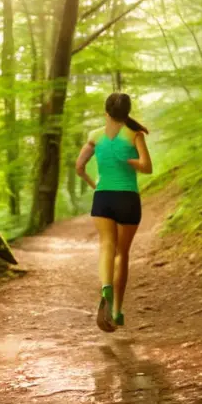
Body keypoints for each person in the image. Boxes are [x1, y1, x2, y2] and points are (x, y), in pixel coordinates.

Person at [75, 93, 153, 333]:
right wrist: (132, 163)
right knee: (123, 254)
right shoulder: (134, 134)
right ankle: (117, 310)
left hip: (103, 197)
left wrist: (94, 184)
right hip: (127, 197)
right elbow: (147, 167)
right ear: (126, 111)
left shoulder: (95, 136)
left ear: (106, 111)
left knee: (106, 245)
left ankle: (105, 286)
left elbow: (79, 167)